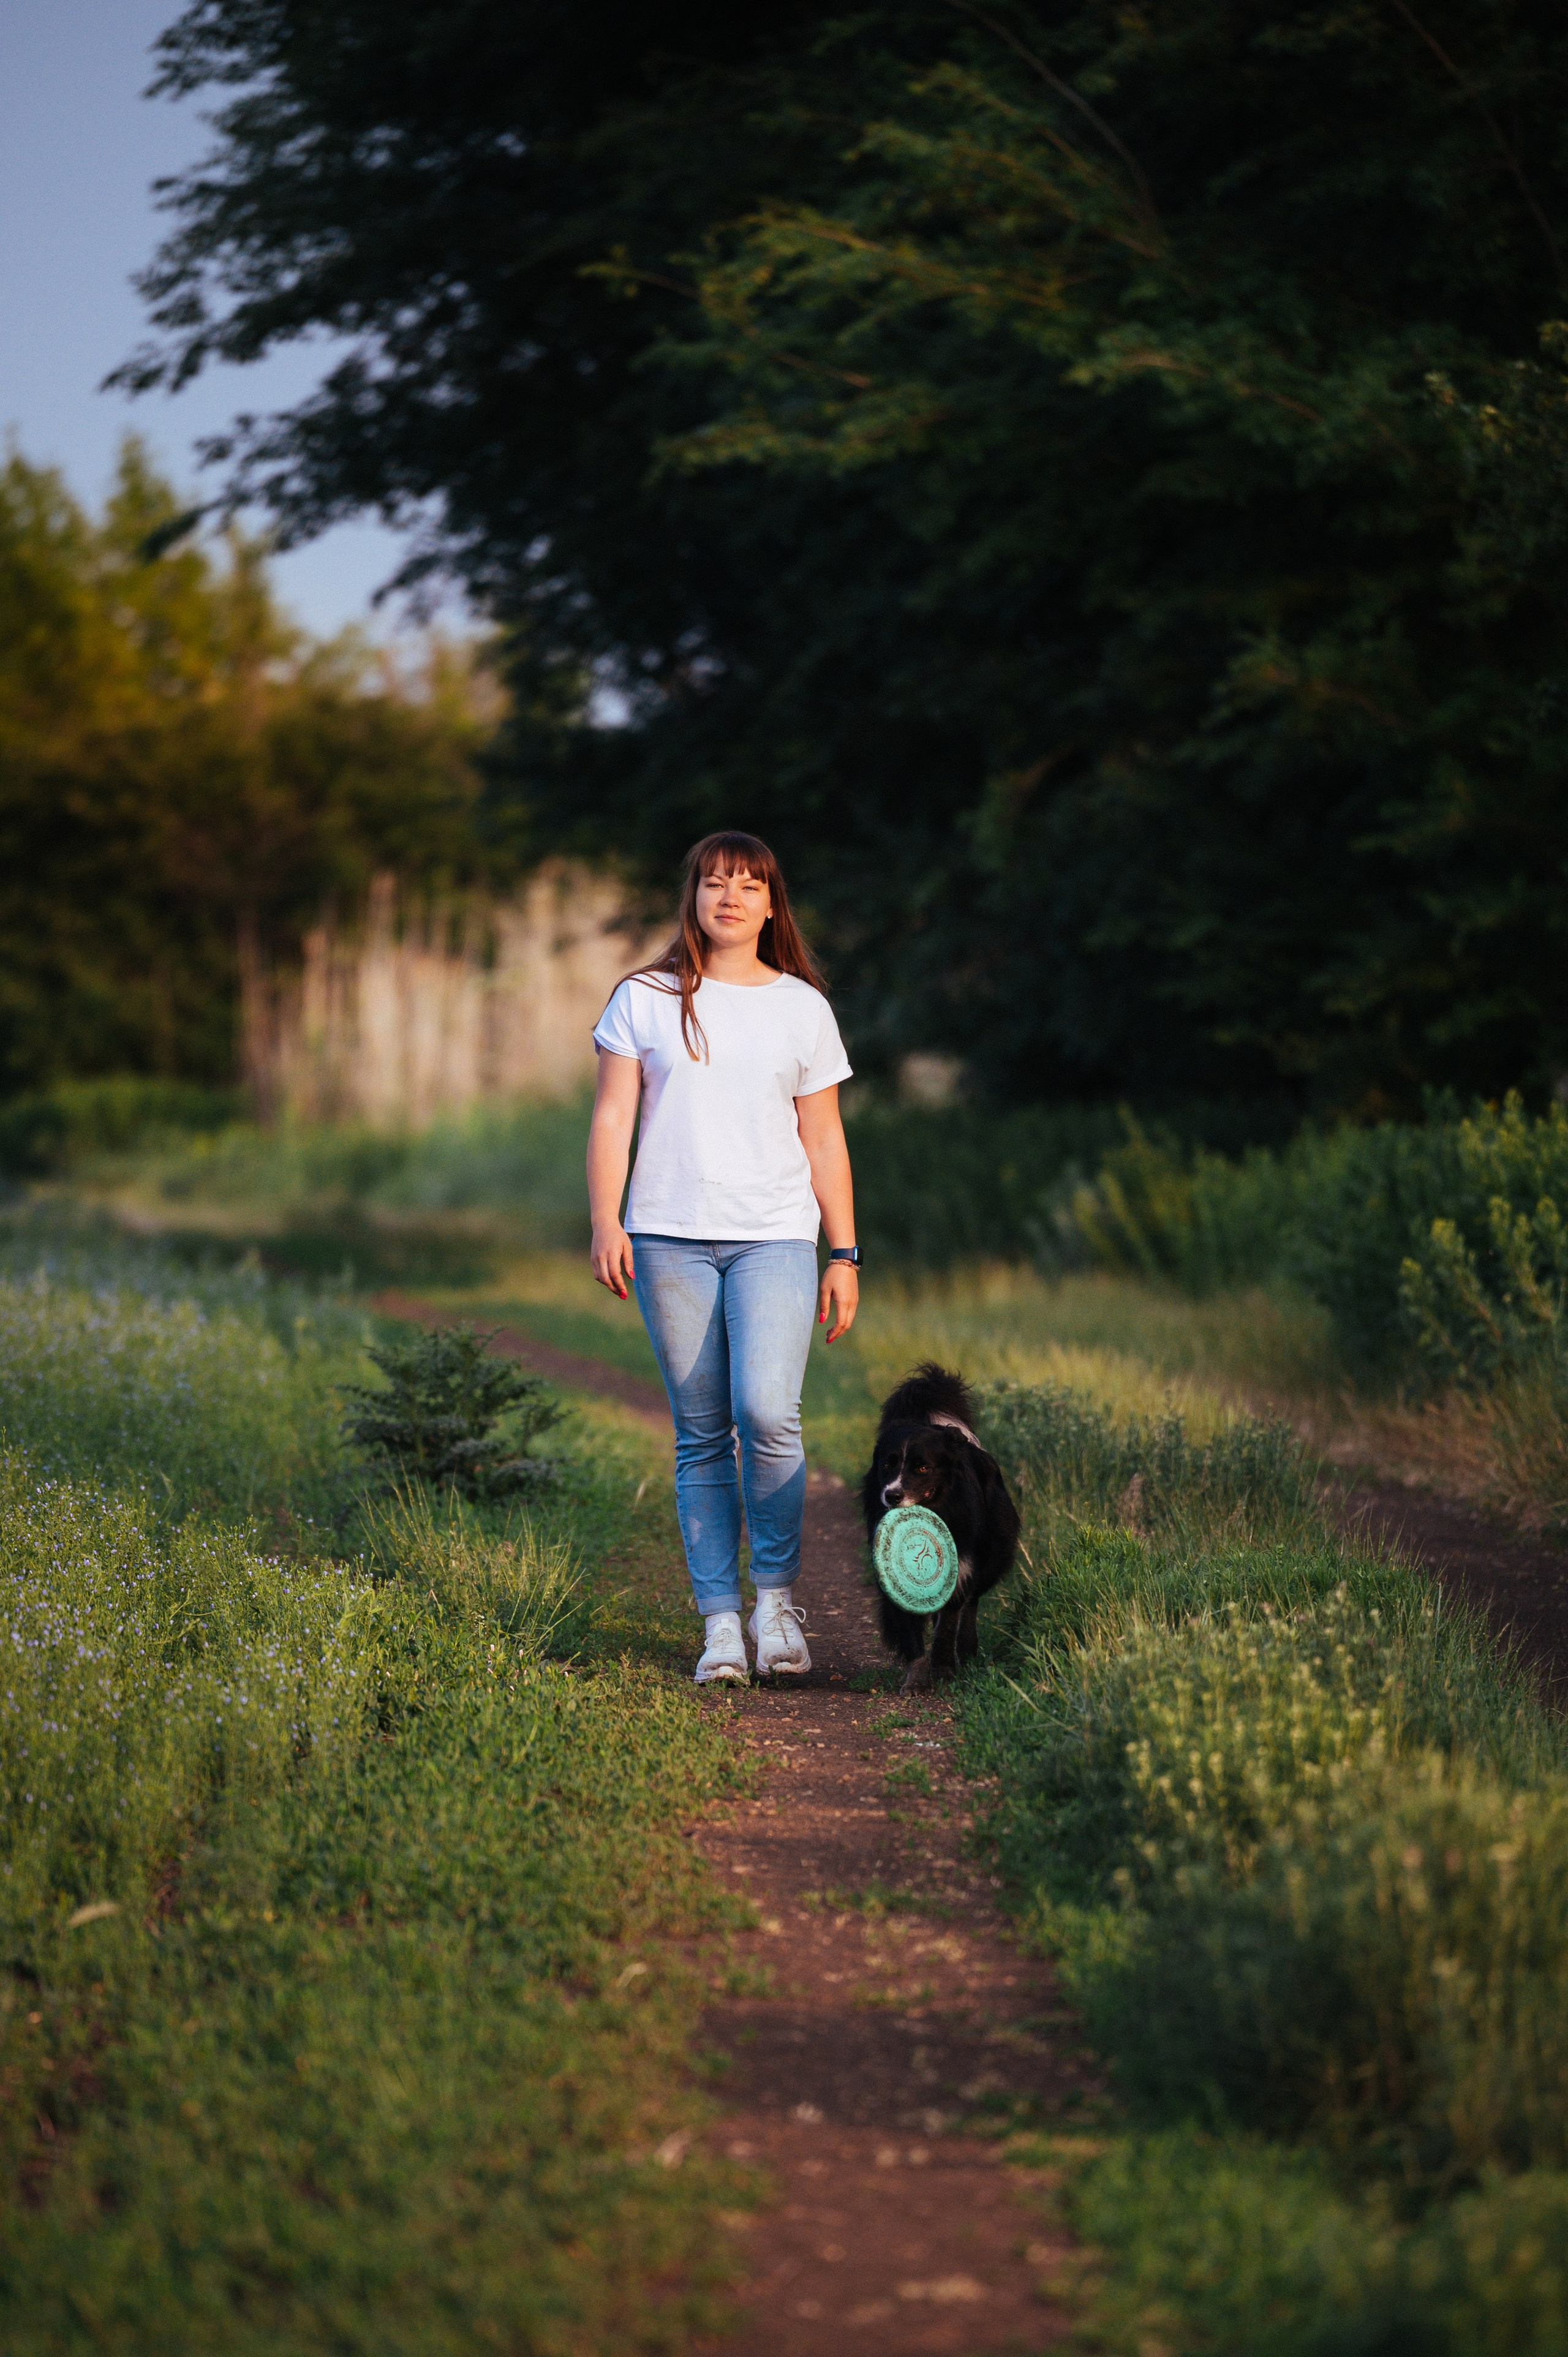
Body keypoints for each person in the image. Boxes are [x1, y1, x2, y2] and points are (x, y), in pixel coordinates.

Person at [587, 831, 861, 1683]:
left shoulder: (802, 1008)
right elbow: (612, 1118)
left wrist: (845, 1252)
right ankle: (719, 1625)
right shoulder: (644, 997)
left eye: (748, 885)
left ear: (772, 905)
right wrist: (606, 1220)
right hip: (668, 1236)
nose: (730, 897)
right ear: (694, 897)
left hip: (776, 1234)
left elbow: (824, 1137)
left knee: (768, 1412)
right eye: (715, 883)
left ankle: (774, 1606)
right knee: (702, 1435)